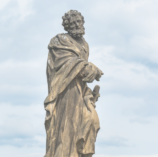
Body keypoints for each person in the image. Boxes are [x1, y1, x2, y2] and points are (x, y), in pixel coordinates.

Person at [44, 10, 103, 157]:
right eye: (73, 23)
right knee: (66, 127)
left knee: (90, 121)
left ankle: (80, 152)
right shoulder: (60, 40)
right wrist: (88, 67)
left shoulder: (85, 44)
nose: (77, 25)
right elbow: (64, 63)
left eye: (79, 21)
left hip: (80, 89)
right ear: (67, 26)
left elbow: (80, 66)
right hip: (65, 90)